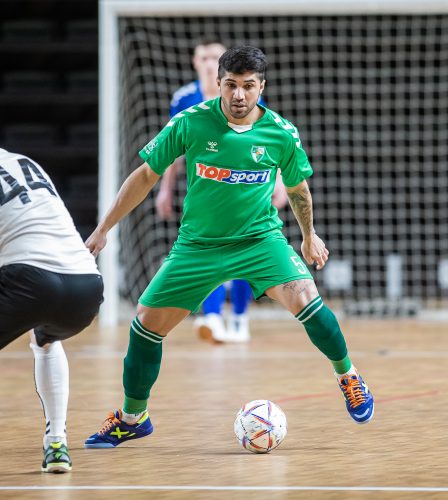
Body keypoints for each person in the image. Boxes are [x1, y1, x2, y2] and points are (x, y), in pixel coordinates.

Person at [84, 46, 374, 449]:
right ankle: (134, 417)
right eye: (231, 85)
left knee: (308, 299)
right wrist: (104, 228)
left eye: (248, 86)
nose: (239, 95)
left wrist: (309, 235)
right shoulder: (191, 122)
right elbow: (146, 174)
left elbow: (297, 188)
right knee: (145, 325)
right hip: (197, 246)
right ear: (218, 84)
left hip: (260, 240)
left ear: (261, 87)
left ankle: (348, 376)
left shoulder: (280, 133)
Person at [155, 39, 287, 343]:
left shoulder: (244, 98)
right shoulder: (185, 98)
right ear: (195, 62)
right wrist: (165, 190)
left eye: (214, 56)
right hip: (205, 190)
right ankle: (213, 317)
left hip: (245, 187)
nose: (208, 61)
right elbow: (171, 150)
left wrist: (279, 181)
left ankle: (239, 317)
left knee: (242, 250)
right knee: (208, 251)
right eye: (203, 56)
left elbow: (271, 141)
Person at [0, 148, 103, 472]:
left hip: (30, 280)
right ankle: (56, 443)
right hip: (85, 287)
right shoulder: (24, 162)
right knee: (46, 342)